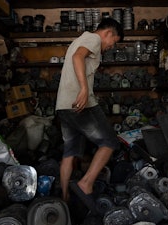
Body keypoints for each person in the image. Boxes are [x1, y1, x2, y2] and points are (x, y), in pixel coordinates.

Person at [55, 18, 124, 213]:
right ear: (108, 33)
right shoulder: (93, 38)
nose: (111, 46)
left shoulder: (79, 39)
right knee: (110, 142)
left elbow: (77, 58)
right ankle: (86, 183)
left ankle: (65, 198)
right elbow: (78, 57)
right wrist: (84, 89)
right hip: (79, 103)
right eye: (114, 41)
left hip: (63, 106)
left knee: (70, 153)